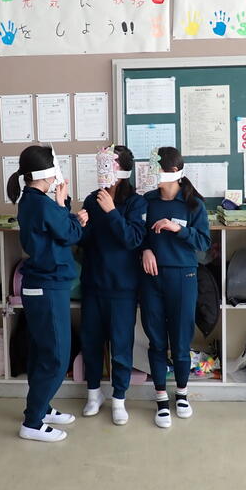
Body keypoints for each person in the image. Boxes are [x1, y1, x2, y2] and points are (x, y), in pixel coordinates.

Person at [6, 145, 88, 442]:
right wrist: (74, 216)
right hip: (46, 287)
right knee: (55, 356)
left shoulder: (34, 200)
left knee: (44, 353)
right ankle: (32, 422)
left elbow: (59, 228)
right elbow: (70, 233)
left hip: (45, 285)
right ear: (46, 172)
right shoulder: (40, 204)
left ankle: (41, 408)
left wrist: (63, 206)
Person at [140, 147, 211, 429]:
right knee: (156, 340)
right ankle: (160, 398)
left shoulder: (193, 205)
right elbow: (137, 235)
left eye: (155, 169)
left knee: (181, 341)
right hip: (151, 278)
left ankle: (181, 394)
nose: (151, 174)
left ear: (173, 172)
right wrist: (145, 250)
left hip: (183, 277)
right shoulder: (147, 202)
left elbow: (203, 243)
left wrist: (178, 229)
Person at [79, 145, 146, 425]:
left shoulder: (136, 202)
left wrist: (112, 212)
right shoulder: (92, 199)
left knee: (120, 345)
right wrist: (80, 224)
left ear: (122, 170)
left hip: (122, 287)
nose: (104, 171)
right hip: (93, 284)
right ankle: (93, 393)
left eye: (110, 165)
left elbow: (133, 239)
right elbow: (84, 242)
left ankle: (119, 398)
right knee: (91, 342)